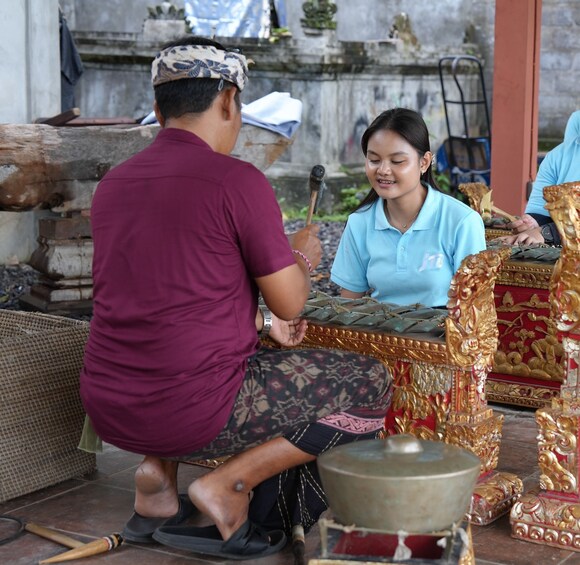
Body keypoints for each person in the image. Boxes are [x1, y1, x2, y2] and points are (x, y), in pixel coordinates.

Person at [79, 36, 392, 559]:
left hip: (108, 407)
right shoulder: (235, 182)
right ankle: (229, 486)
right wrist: (303, 257)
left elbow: (170, 301)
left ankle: (155, 479)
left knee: (189, 354)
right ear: (228, 101)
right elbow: (292, 303)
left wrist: (258, 322)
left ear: (158, 111)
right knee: (370, 381)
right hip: (189, 410)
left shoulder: (113, 184)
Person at [330, 108, 486, 308]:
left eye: (397, 161)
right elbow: (348, 305)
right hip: (379, 333)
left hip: (446, 336)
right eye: (374, 160)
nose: (383, 170)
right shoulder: (359, 222)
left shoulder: (462, 221)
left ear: (424, 162)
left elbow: (475, 310)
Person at [501, 110, 580, 245]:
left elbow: (544, 232)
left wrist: (545, 233)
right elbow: (541, 211)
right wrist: (532, 223)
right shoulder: (556, 157)